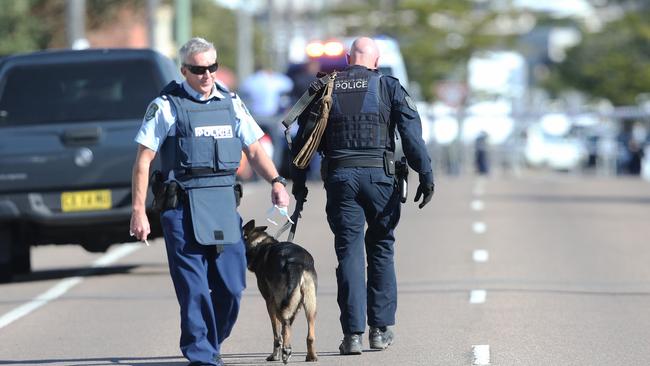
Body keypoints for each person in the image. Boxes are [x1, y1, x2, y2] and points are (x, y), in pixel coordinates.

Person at [129, 37, 290, 366]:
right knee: (195, 289)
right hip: (181, 209)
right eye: (199, 69)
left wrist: (275, 181)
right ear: (184, 69)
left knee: (232, 287)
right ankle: (202, 355)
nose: (207, 75)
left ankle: (208, 342)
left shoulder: (230, 102)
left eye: (212, 68)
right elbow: (143, 160)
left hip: (221, 206)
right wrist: (138, 212)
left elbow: (255, 150)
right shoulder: (165, 106)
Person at [291, 37, 434, 355]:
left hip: (341, 179)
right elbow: (411, 135)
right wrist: (425, 173)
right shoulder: (388, 86)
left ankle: (353, 335)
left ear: (346, 58)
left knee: (349, 254)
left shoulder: (325, 86)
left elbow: (303, 140)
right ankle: (379, 331)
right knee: (381, 248)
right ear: (377, 59)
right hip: (380, 179)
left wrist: (298, 185)